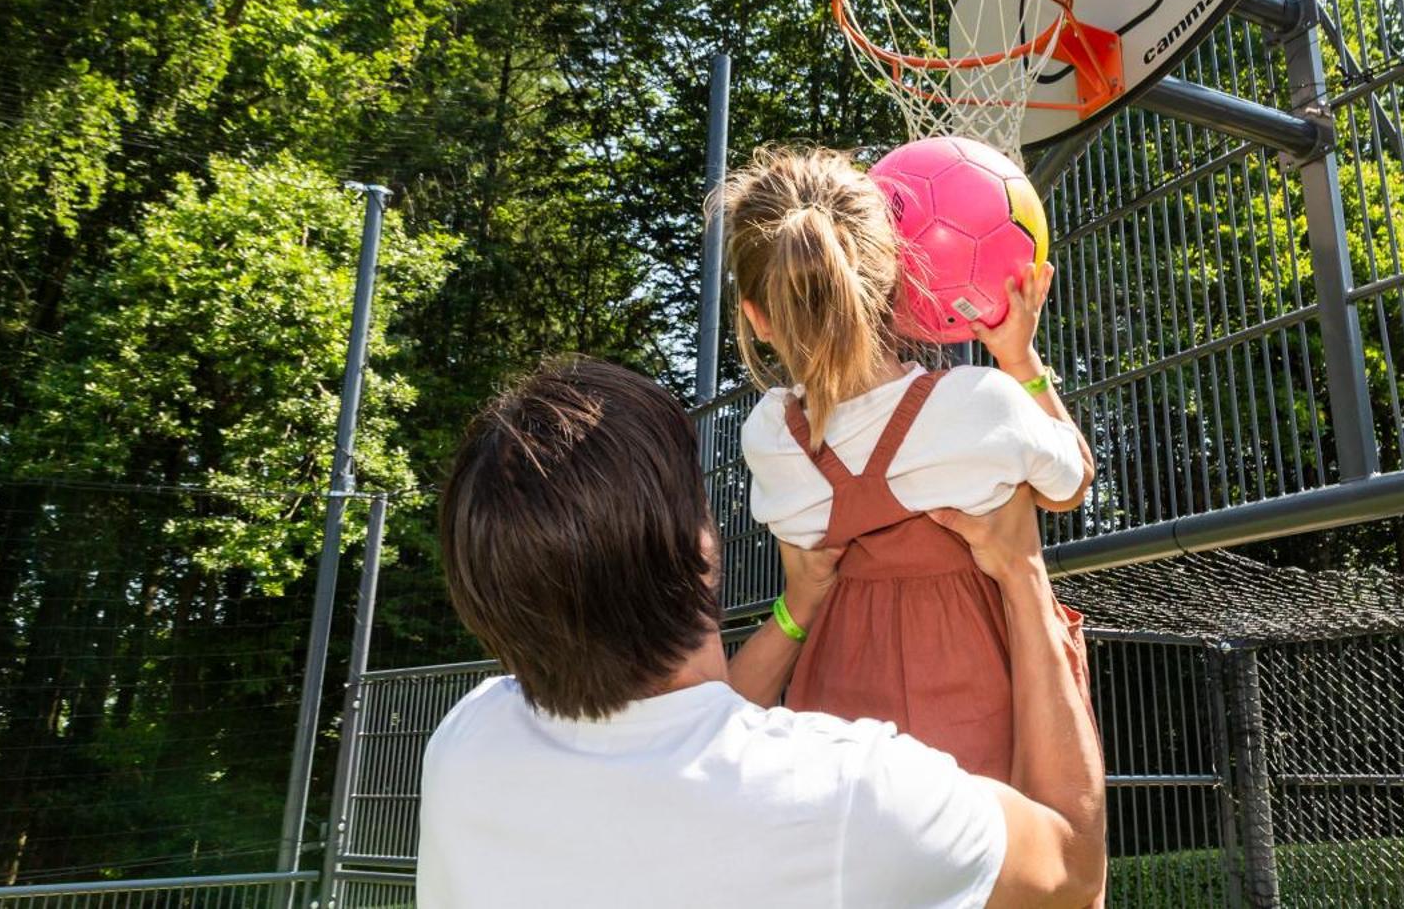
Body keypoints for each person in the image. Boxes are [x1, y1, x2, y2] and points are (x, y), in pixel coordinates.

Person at [418, 357, 1107, 908]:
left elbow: (690, 727)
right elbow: (1071, 867)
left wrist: (796, 608)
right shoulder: (851, 795)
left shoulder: (466, 745)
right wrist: (1022, 574)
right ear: (703, 548)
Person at [720, 145, 1096, 783]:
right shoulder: (979, 406)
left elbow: (804, 565)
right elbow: (1073, 484)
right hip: (986, 711)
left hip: (838, 728)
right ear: (895, 285)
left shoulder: (771, 438)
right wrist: (1019, 360)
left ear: (757, 319)